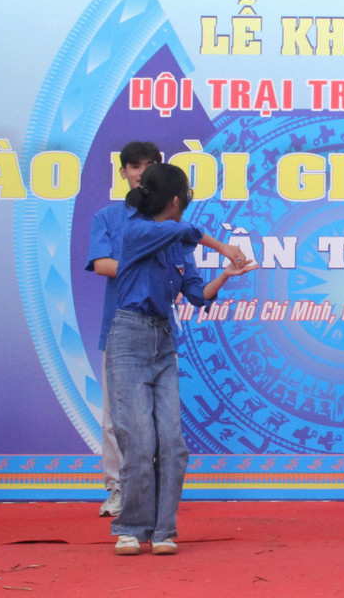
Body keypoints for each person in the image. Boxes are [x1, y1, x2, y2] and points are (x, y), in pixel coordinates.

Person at [108, 162, 252, 555]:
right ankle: (131, 528)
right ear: (175, 199)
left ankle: (163, 531)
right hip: (129, 338)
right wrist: (223, 245)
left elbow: (197, 295)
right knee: (139, 440)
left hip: (163, 340)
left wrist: (226, 274)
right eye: (184, 195)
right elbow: (184, 230)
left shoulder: (179, 246)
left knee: (172, 443)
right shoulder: (138, 231)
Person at [88, 141, 161, 518]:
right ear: (123, 173)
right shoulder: (107, 218)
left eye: (149, 166)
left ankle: (152, 490)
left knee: (157, 418)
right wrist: (146, 267)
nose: (141, 173)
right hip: (117, 328)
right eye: (134, 167)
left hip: (160, 330)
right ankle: (117, 488)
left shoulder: (168, 217)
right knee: (114, 417)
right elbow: (102, 264)